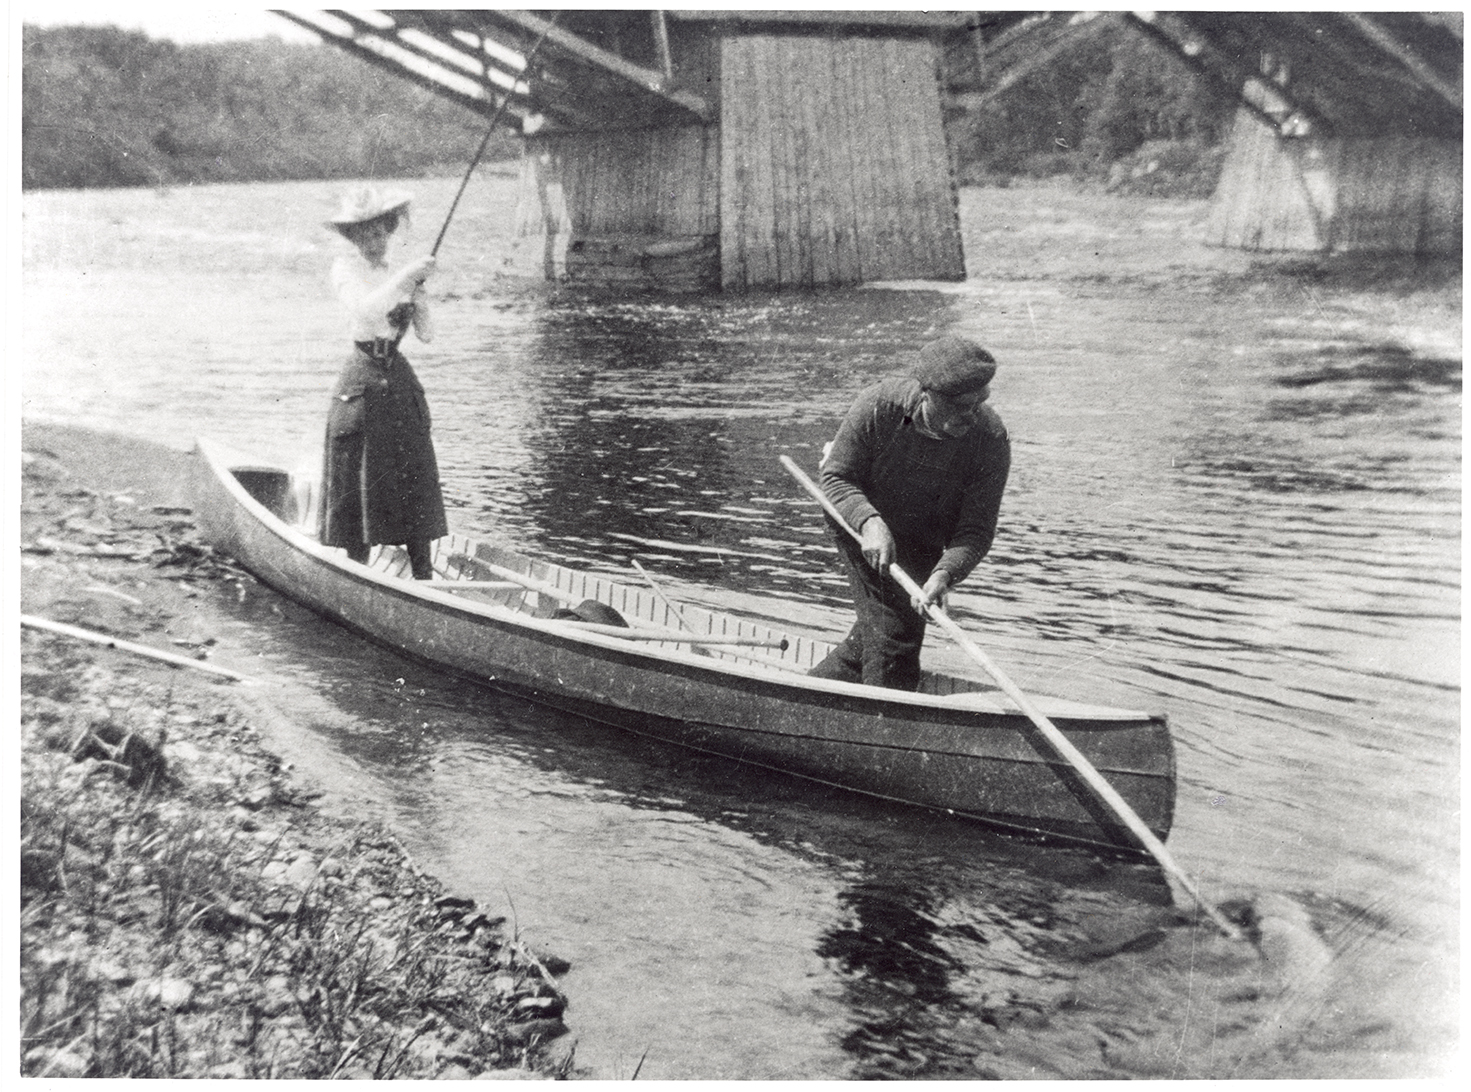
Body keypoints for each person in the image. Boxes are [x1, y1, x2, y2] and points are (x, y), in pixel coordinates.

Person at [809, 335, 1011, 690]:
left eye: (981, 402)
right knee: (894, 635)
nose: (973, 415)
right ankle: (879, 736)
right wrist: (869, 521)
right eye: (963, 406)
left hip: (923, 530)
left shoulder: (990, 439)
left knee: (882, 631)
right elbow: (837, 476)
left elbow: (976, 530)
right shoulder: (879, 406)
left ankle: (808, 696)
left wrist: (946, 572)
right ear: (927, 395)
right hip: (859, 516)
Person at [318, 185, 447, 580]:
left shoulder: (396, 272)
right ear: (353, 239)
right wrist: (408, 276)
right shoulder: (345, 270)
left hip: (397, 375)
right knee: (360, 472)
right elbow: (366, 307)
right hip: (362, 380)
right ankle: (356, 570)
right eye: (364, 235)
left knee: (413, 468)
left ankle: (422, 573)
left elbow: (425, 334)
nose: (373, 242)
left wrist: (420, 297)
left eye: (379, 234)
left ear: (388, 232)